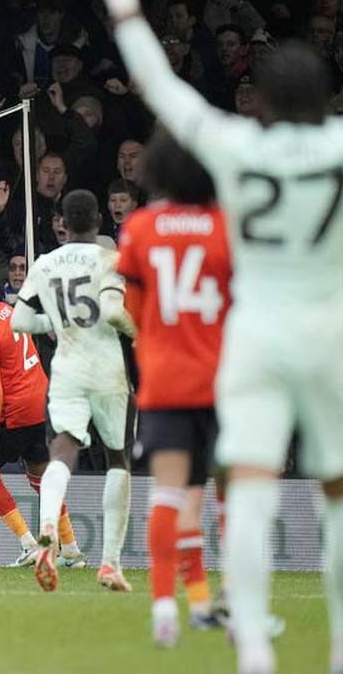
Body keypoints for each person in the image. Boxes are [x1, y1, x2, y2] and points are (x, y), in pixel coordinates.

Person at [89, 0, 343, 670]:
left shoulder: (236, 145)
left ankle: (250, 648)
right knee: (342, 497)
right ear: (325, 99)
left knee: (247, 492)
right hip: (323, 336)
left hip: (252, 336)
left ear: (263, 103)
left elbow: (160, 86)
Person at [115, 131, 228, 646]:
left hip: (163, 379)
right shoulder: (225, 228)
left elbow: (133, 312)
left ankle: (167, 608)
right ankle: (225, 603)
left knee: (168, 493)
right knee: (219, 497)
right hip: (222, 378)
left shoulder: (138, 229)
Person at [11, 190, 135, 593]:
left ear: (62, 221)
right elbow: (114, 312)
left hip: (66, 366)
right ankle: (110, 565)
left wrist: (58, 322)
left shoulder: (45, 263)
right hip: (106, 368)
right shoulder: (110, 260)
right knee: (117, 457)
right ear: (98, 218)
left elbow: (20, 320)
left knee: (62, 448)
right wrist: (140, 333)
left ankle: (48, 528)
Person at [0, 266, 85, 570]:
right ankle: (72, 551)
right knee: (41, 479)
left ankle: (29, 545)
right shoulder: (8, 311)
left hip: (18, 411)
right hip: (41, 403)